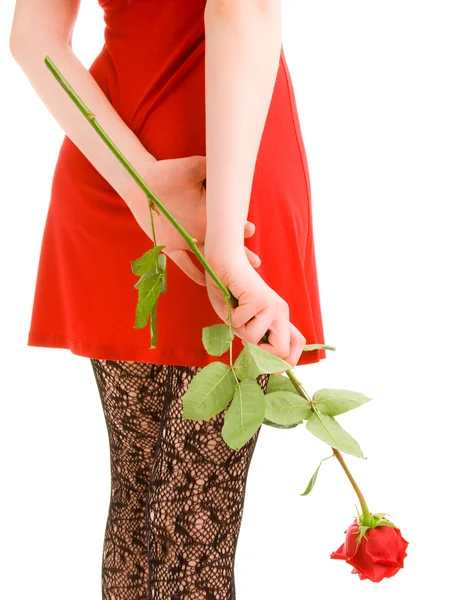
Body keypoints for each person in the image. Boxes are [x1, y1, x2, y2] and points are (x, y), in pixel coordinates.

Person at [10, 0, 326, 598]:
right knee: (191, 527)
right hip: (228, 183)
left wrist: (142, 189)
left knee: (137, 501)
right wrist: (227, 247)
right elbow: (243, 12)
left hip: (115, 171)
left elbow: (33, 38)